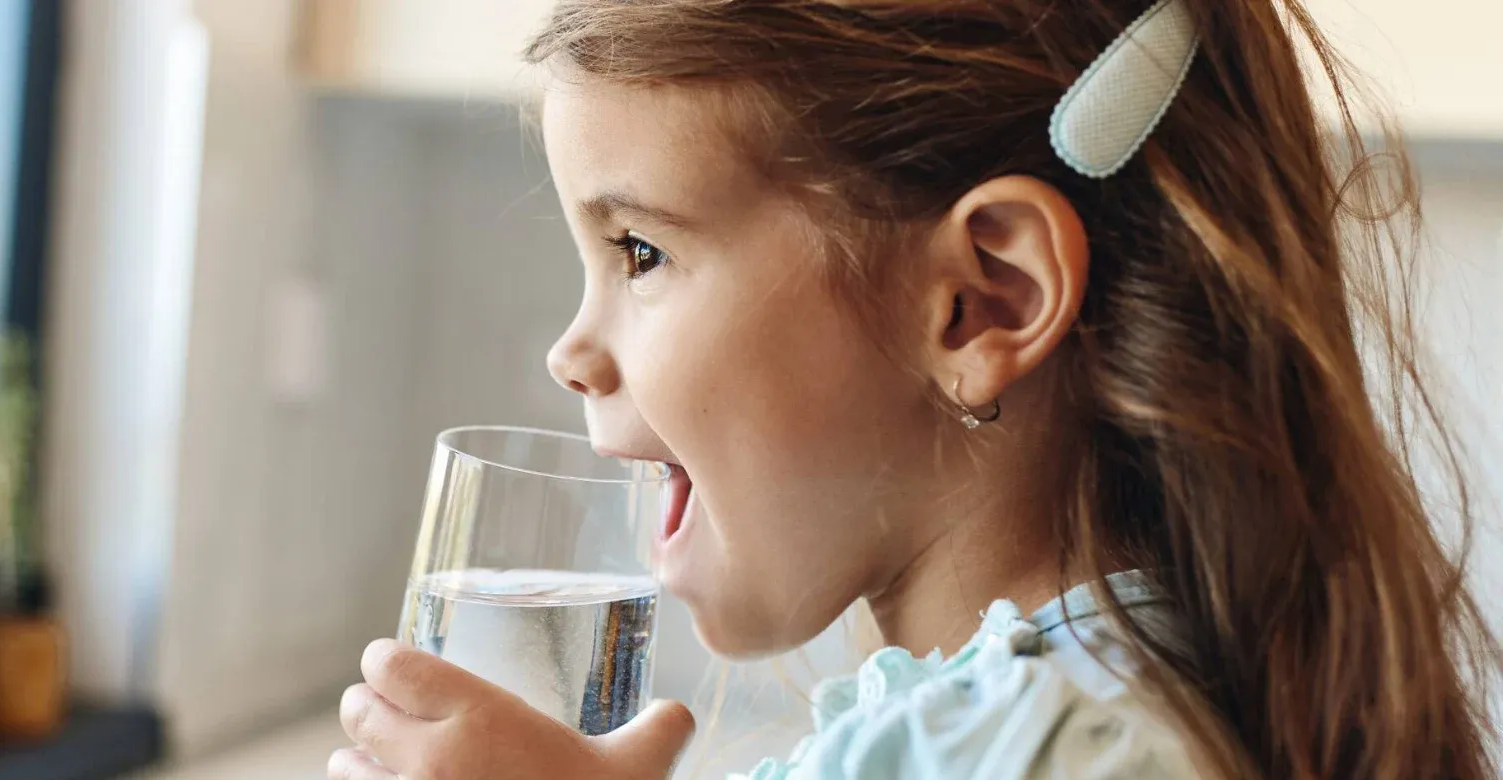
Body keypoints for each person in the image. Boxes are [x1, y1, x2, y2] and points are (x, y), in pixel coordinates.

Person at [328, 0, 1499, 777]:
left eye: (641, 252)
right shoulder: (1025, 720)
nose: (570, 351)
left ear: (981, 300)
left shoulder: (1066, 753)